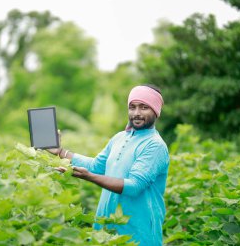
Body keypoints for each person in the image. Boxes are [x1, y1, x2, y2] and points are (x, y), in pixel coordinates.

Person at [48, 84, 169, 246]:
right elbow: (96, 166)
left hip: (138, 235)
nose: (137, 113)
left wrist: (89, 177)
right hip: (106, 231)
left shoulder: (155, 145)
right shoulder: (119, 138)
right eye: (132, 107)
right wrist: (60, 152)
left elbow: (134, 186)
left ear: (156, 111)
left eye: (144, 107)